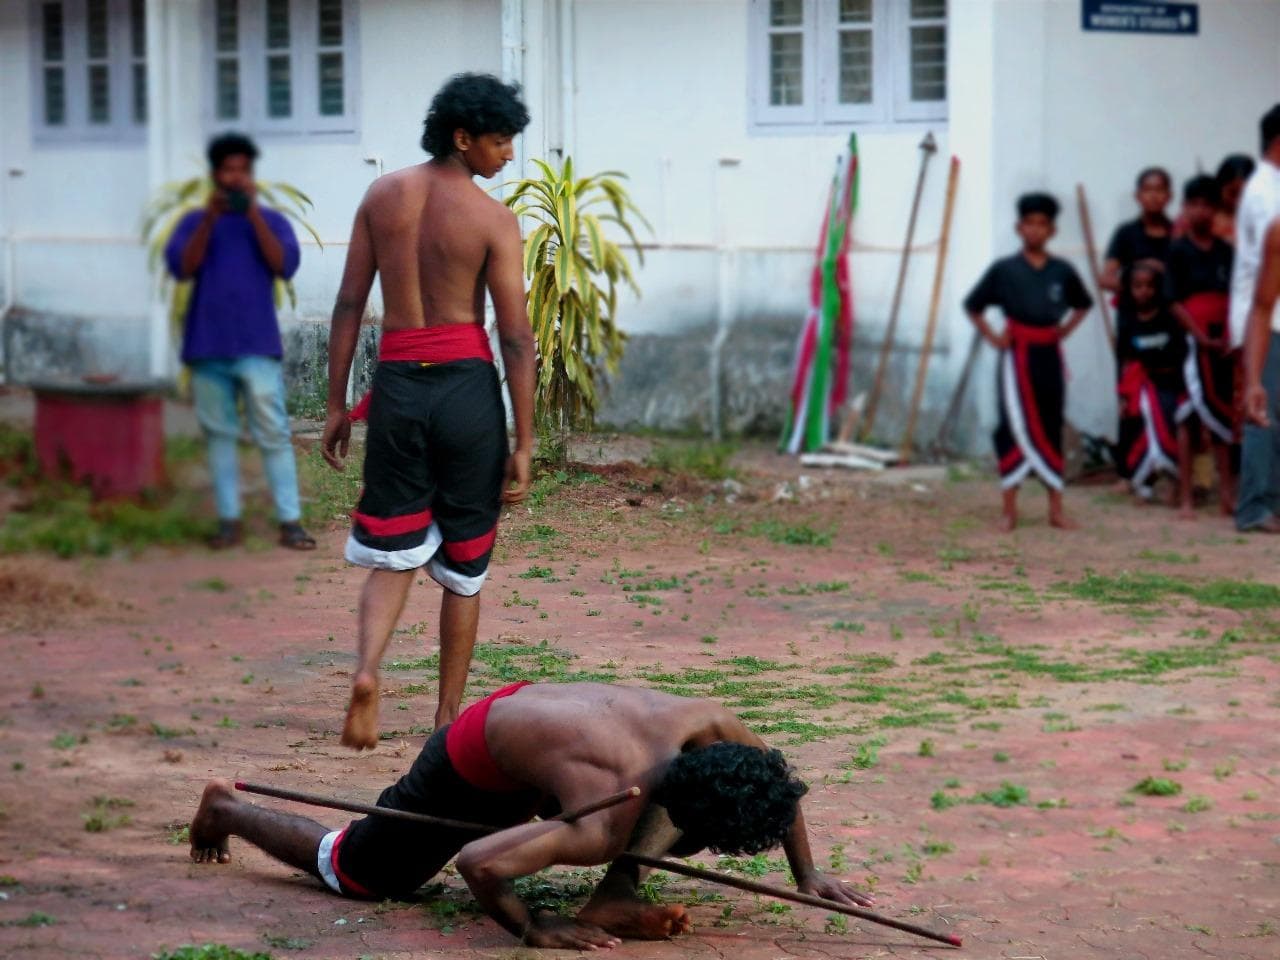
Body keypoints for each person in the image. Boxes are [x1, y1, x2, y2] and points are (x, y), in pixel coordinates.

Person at [187, 682, 869, 948]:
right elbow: (478, 862)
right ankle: (227, 808)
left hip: (550, 736)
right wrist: (532, 922)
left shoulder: (713, 727)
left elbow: (779, 786)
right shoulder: (604, 818)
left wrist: (806, 874)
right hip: (469, 764)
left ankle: (613, 901)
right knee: (363, 874)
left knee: (663, 812)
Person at [320, 74, 537, 748]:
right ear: (463, 137)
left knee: (392, 553)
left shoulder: (382, 197)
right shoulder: (491, 219)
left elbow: (350, 305)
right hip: (466, 392)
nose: (507, 156)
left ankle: (366, 672)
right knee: (466, 563)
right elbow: (515, 337)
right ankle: (446, 718)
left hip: (396, 392)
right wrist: (524, 440)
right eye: (499, 143)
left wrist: (334, 403)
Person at [164, 133, 315, 551]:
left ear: (251, 176)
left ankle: (290, 523)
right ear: (215, 175)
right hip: (207, 345)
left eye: (242, 171)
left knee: (274, 433)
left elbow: (283, 266)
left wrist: (252, 216)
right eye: (228, 170)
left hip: (256, 345)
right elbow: (182, 268)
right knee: (220, 436)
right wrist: (211, 219)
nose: (235, 178)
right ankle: (227, 521)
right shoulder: (194, 222)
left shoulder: (272, 221)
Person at [963, 193, 1094, 531]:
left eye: (1043, 224)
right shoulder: (1004, 270)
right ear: (1019, 228)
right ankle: (1009, 510)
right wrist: (993, 337)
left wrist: (1063, 330)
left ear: (1051, 230)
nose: (1036, 230)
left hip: (1048, 356)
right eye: (1030, 223)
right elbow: (973, 305)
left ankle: (1056, 510)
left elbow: (1083, 304)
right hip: (1016, 360)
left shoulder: (1062, 271)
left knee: (1051, 421)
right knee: (1011, 426)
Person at [1166, 175, 1235, 515]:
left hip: (1221, 342)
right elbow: (1174, 301)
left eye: (1208, 205)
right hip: (1191, 345)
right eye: (1194, 204)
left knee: (1222, 418)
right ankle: (1186, 497)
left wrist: (1227, 337)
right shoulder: (1177, 251)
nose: (1201, 211)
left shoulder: (1226, 252)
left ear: (1217, 210)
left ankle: (1226, 495)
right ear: (1184, 208)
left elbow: (1235, 298)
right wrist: (1198, 335)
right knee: (1188, 419)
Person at [1230, 105, 1280, 533]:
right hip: (1267, 318)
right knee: (1263, 409)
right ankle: (1256, 507)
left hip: (1265, 314)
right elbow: (1268, 276)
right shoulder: (1266, 193)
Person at [1115, 263, 1192, 512]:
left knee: (1171, 432)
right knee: (1145, 436)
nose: (1144, 291)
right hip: (1145, 389)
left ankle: (1177, 484)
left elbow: (1182, 352)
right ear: (1129, 289)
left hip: (1172, 384)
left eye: (1149, 286)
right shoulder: (1128, 323)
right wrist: (1124, 395)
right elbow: (1125, 360)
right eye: (1138, 286)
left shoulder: (1169, 318)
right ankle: (1144, 484)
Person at [1102, 167, 1174, 299]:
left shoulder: (1178, 232)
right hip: (1132, 314)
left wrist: (1163, 274)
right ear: (1137, 196)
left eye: (1159, 190)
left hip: (1170, 312)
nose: (1153, 196)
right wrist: (1138, 284)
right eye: (1147, 190)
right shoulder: (1126, 233)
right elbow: (1106, 279)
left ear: (1169, 196)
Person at [1215, 154, 1256, 246]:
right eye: (1233, 193)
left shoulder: (1264, 218)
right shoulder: (1204, 218)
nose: (1238, 201)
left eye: (1244, 195)